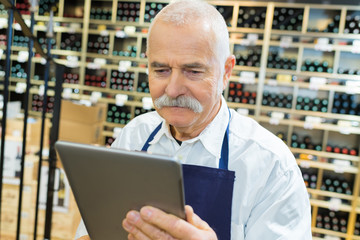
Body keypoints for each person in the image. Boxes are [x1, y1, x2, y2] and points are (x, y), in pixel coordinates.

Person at [75, 0, 312, 239]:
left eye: (194, 71)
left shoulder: (271, 165)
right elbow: (91, 233)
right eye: (161, 70)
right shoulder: (134, 136)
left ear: (226, 72)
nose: (173, 89)